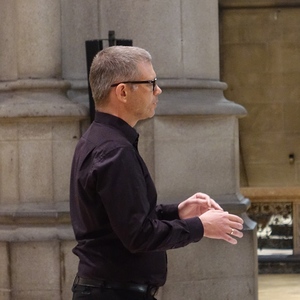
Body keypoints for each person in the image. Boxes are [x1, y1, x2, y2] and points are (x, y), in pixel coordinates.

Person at [69, 46, 244, 300]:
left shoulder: (98, 140)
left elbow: (122, 218)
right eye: (151, 83)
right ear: (123, 91)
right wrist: (199, 227)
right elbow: (139, 235)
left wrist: (177, 211)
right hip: (114, 293)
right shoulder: (115, 150)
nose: (158, 90)